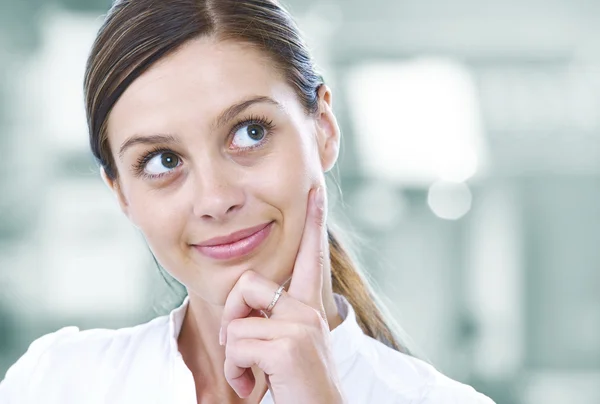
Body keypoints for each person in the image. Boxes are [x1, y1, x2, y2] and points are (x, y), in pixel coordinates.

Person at [0, 0, 496, 403]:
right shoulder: (55, 384)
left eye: (250, 132)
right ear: (121, 195)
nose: (215, 199)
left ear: (323, 128)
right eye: (162, 162)